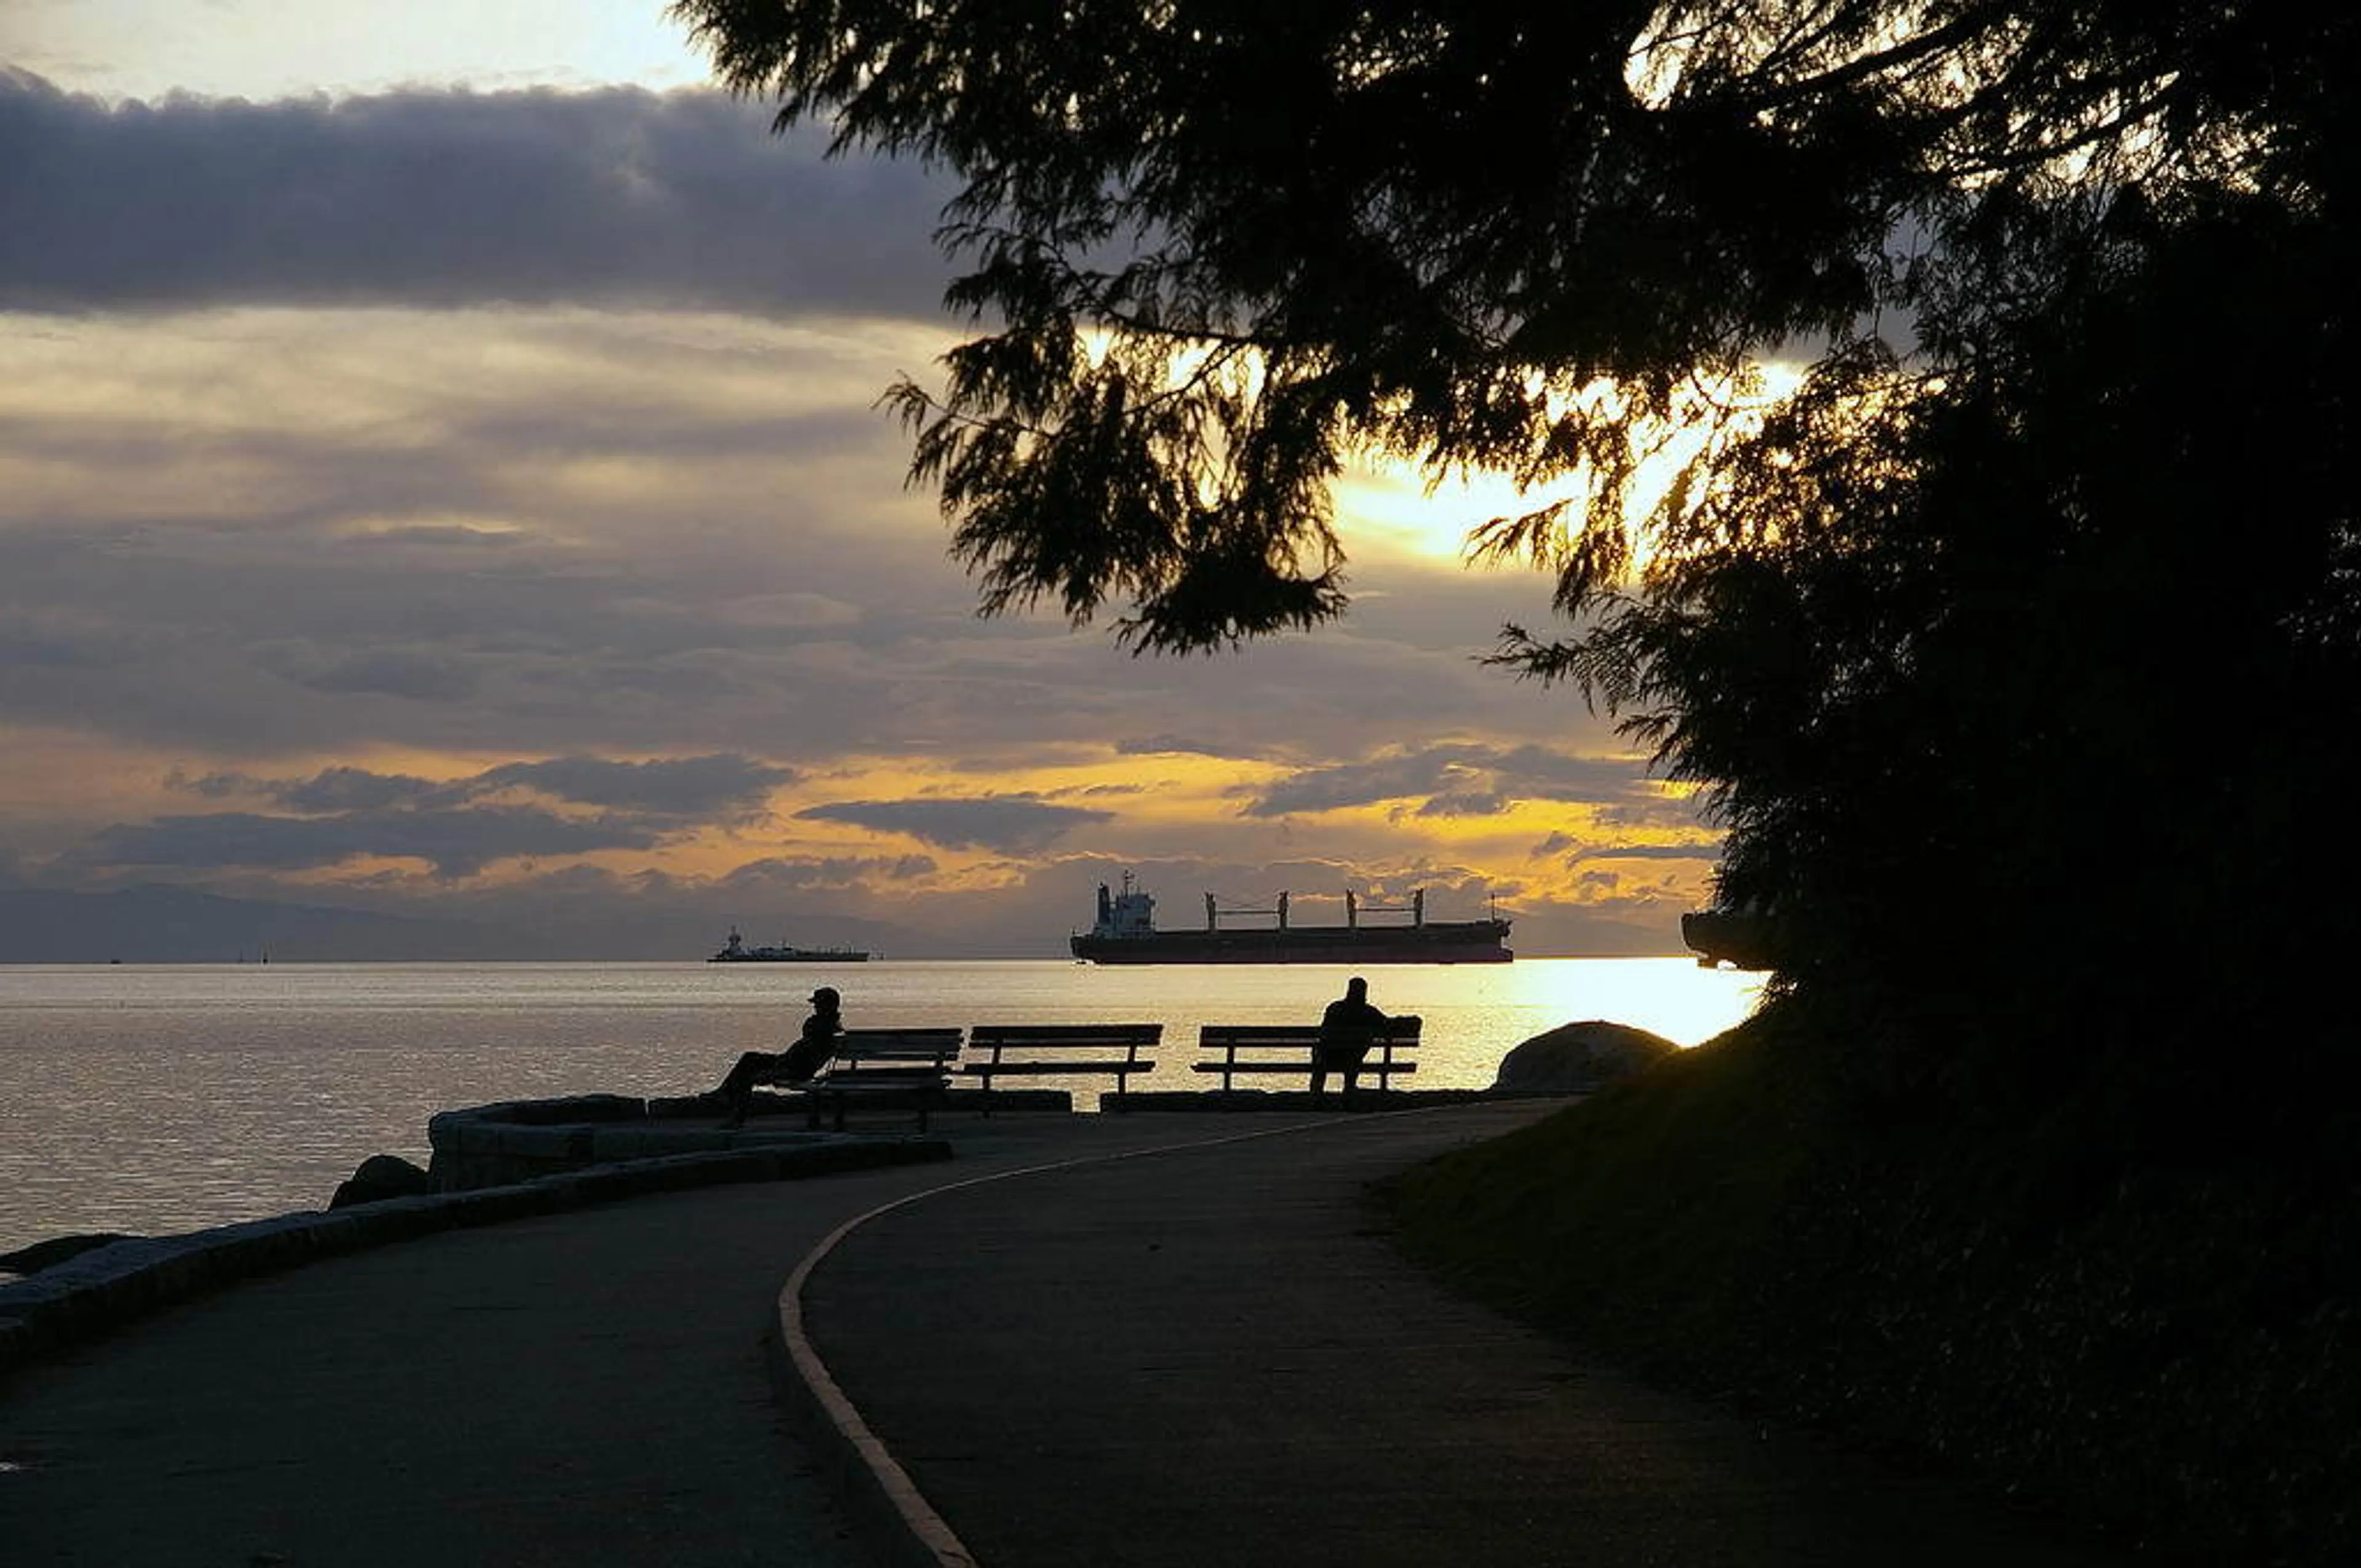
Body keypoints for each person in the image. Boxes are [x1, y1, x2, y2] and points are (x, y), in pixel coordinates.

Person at [713, 986, 844, 1127]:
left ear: (827, 1006)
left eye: (818, 1004)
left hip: (793, 1069)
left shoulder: (824, 1028)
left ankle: (736, 1116)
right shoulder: (828, 1026)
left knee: (748, 1076)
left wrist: (779, 1070)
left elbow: (807, 1060)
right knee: (750, 1058)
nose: (815, 1008)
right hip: (786, 1062)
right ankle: (725, 1092)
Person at [1314, 975, 1391, 1104]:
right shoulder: (1369, 1012)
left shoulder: (1334, 1008)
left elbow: (1323, 1032)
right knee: (1354, 1055)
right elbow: (1388, 1025)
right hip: (1352, 1059)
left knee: (1320, 1052)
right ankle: (1349, 1089)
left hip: (1328, 1057)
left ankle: (1316, 1092)